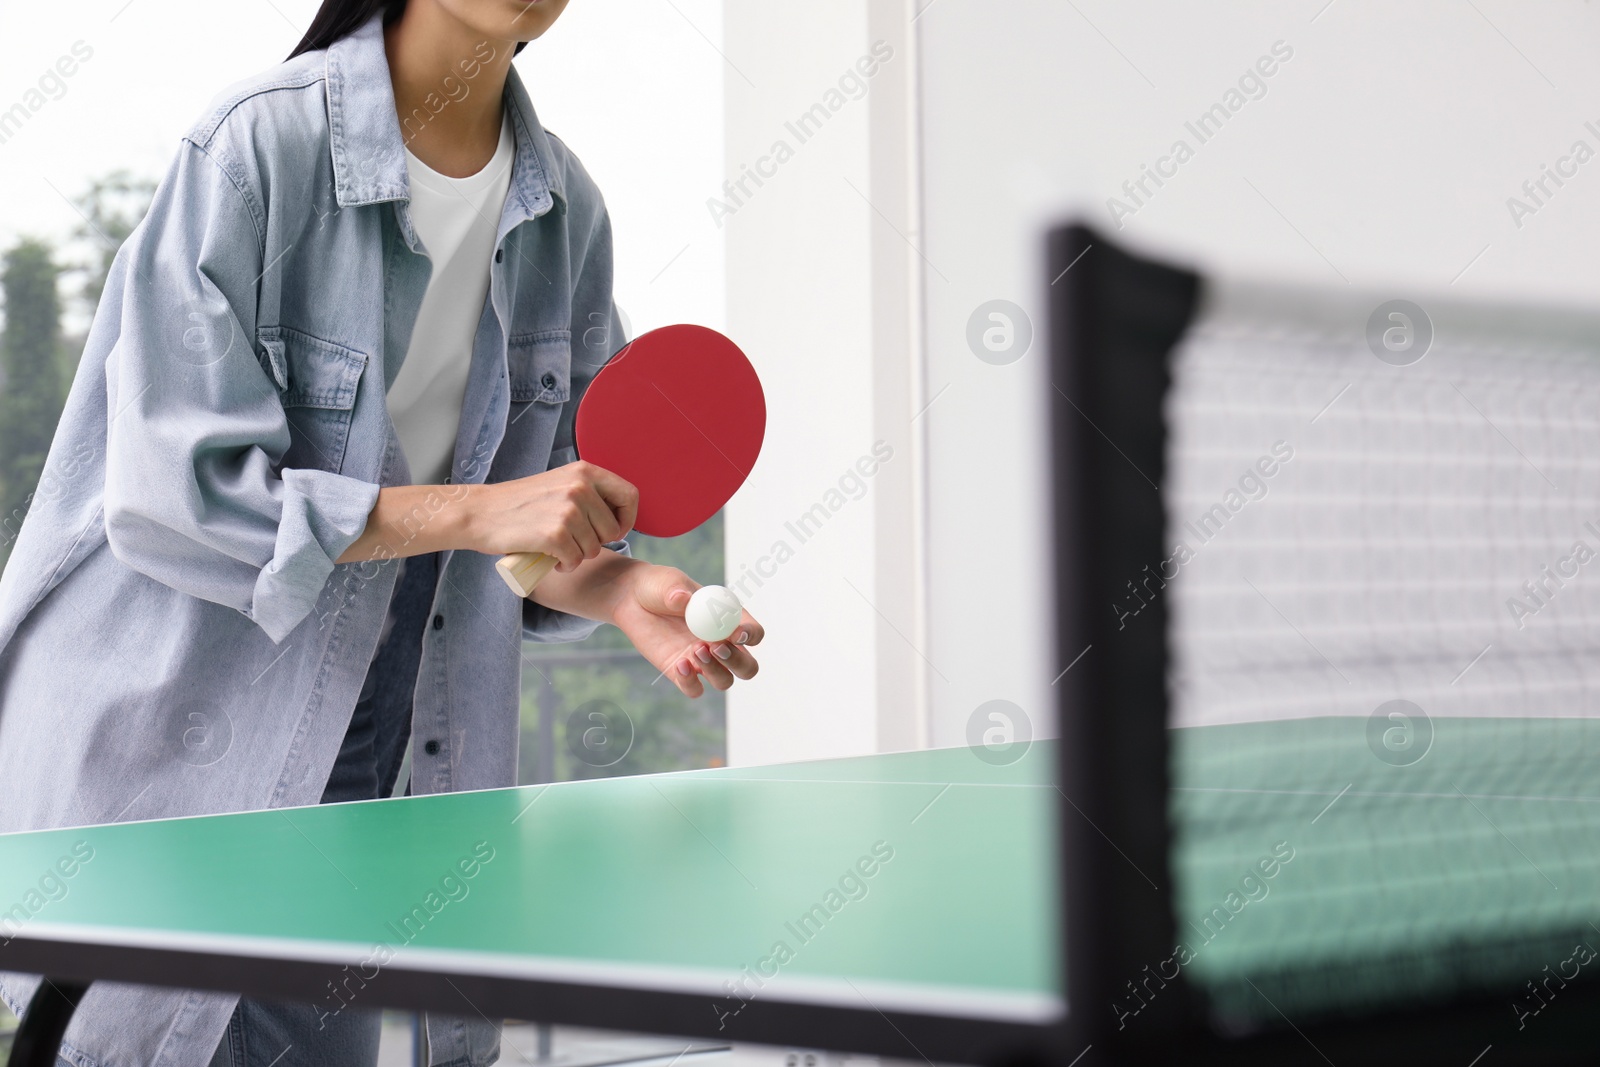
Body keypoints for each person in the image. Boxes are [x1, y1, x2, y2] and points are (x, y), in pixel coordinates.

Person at [0, 1, 763, 1063]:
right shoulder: (255, 149)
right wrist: (480, 508)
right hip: (163, 758)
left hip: (361, 756)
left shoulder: (565, 212)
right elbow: (175, 492)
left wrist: (614, 585)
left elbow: (536, 524)